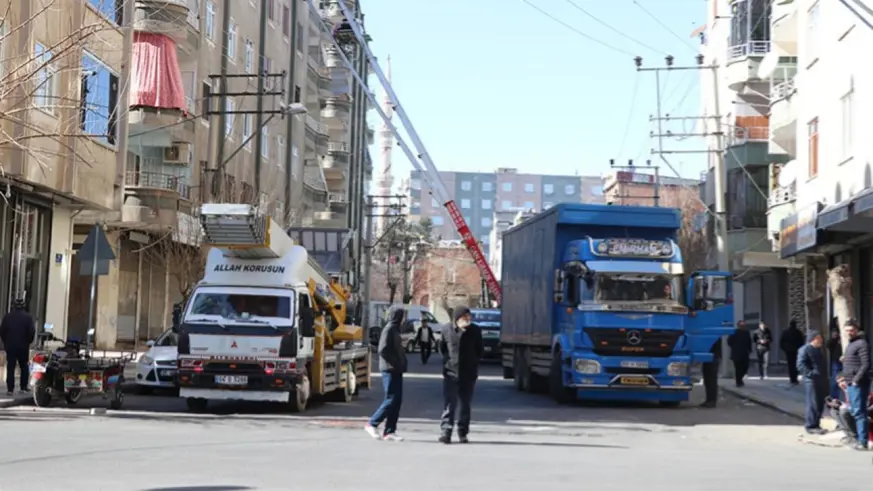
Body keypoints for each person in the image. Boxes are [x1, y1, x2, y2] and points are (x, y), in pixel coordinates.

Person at [438, 306, 483, 443]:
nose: (468, 320)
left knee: (465, 404)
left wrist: (473, 362)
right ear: (457, 318)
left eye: (469, 317)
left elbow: (479, 350)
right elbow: (442, 349)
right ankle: (446, 431)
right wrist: (447, 363)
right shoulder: (447, 329)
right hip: (451, 373)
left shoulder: (475, 330)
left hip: (468, 374)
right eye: (465, 317)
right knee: (449, 403)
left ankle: (462, 432)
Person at [364, 308, 407, 441]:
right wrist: (395, 362)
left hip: (396, 369)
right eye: (403, 316)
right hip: (389, 369)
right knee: (391, 398)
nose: (404, 320)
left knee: (397, 400)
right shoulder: (389, 329)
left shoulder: (395, 330)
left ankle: (390, 431)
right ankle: (372, 423)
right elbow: (383, 350)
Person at [840, 320, 870, 451]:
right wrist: (843, 379)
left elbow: (866, 364)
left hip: (858, 384)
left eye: (851, 330)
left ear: (856, 330)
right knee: (853, 411)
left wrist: (856, 380)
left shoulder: (861, 343)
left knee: (859, 412)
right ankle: (857, 438)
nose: (849, 332)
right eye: (846, 330)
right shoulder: (851, 344)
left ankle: (862, 442)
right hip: (850, 382)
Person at [0, 298, 36, 396]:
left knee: (10, 367)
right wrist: (28, 341)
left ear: (13, 306)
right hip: (23, 345)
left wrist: (6, 342)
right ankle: (23, 387)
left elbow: (2, 331)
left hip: (11, 346)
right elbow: (31, 331)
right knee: (24, 366)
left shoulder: (7, 317)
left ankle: (10, 389)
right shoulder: (28, 317)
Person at [797, 331, 828, 435]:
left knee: (819, 403)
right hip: (811, 381)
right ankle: (810, 425)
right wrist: (811, 374)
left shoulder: (818, 349)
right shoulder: (805, 349)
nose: (821, 340)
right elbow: (800, 364)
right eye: (819, 338)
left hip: (820, 379)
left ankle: (816, 424)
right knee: (813, 403)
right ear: (813, 339)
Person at [727, 320, 752, 388]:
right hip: (736, 353)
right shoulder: (733, 332)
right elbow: (729, 341)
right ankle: (738, 382)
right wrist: (734, 347)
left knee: (745, 367)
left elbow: (749, 341)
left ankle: (740, 378)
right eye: (741, 326)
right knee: (738, 368)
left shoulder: (746, 333)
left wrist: (750, 349)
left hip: (744, 353)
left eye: (744, 326)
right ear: (738, 326)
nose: (743, 327)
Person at [779, 320, 805, 385]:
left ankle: (792, 378)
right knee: (796, 364)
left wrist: (784, 349)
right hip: (796, 350)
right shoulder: (798, 332)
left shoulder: (785, 332)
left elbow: (781, 341)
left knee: (790, 365)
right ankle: (795, 378)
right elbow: (802, 341)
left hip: (788, 351)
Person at [827, 321, 843, 399]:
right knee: (835, 379)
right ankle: (834, 397)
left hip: (847, 360)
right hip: (837, 360)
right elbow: (829, 346)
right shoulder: (836, 333)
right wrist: (834, 338)